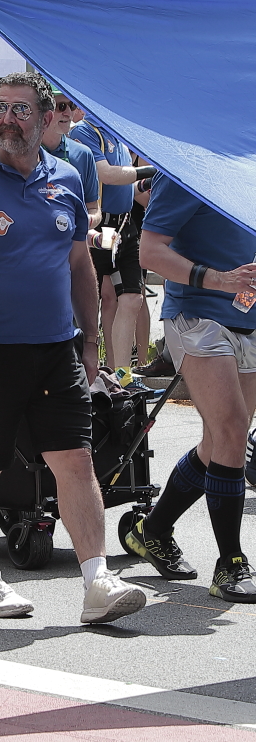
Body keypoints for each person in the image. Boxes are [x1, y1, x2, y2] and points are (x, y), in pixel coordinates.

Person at [0, 72, 148, 625]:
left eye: (21, 110)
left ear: (48, 119)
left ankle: (98, 582)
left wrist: (90, 342)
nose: (7, 119)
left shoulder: (69, 178)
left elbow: (79, 265)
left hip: (56, 350)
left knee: (75, 462)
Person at [131, 176, 256, 600]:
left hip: (248, 317)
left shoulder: (245, 164)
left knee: (221, 443)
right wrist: (219, 280)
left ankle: (154, 529)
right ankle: (231, 564)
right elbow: (149, 252)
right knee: (232, 430)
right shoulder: (183, 169)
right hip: (196, 314)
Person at [71, 112, 155, 377]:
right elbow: (107, 175)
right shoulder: (84, 132)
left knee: (132, 298)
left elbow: (129, 186)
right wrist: (154, 169)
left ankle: (122, 375)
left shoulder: (117, 133)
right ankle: (89, 373)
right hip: (97, 227)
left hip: (125, 226)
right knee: (89, 303)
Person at [41, 91, 100, 229]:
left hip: (70, 247)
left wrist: (81, 222)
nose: (68, 113)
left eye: (72, 106)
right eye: (61, 106)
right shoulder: (23, 153)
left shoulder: (83, 154)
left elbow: (93, 209)